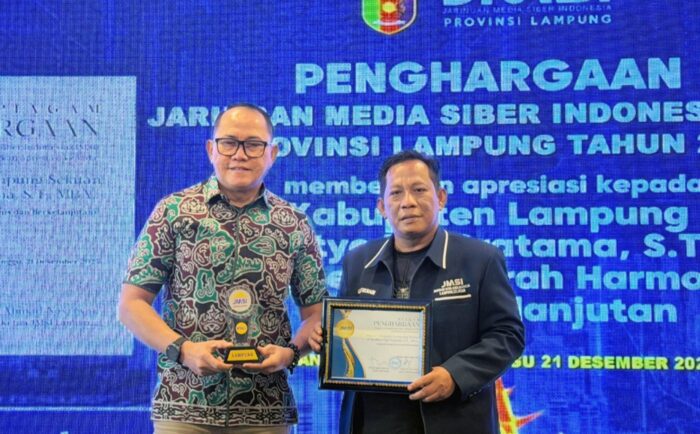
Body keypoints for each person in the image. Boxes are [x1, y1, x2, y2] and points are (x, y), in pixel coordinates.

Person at [119, 103, 327, 434]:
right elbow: (131, 305)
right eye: (229, 143)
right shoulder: (173, 212)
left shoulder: (294, 223)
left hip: (265, 409)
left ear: (272, 153)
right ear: (210, 149)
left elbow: (316, 315)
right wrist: (183, 350)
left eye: (253, 144)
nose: (239, 155)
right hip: (184, 405)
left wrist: (289, 354)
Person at [308, 150, 525, 434]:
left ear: (441, 197)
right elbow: (347, 338)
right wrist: (327, 340)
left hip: (453, 420)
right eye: (395, 193)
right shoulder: (358, 262)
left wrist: (455, 375)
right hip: (374, 422)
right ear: (382, 207)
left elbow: (508, 335)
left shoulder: (480, 259)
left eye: (419, 190)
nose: (407, 202)